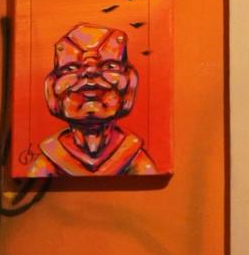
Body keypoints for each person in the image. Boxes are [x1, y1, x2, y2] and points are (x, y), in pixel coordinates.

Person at [26, 23, 158, 176]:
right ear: (52, 86)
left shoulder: (133, 155)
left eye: (110, 65)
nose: (90, 72)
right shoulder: (49, 159)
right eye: (71, 68)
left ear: (130, 82)